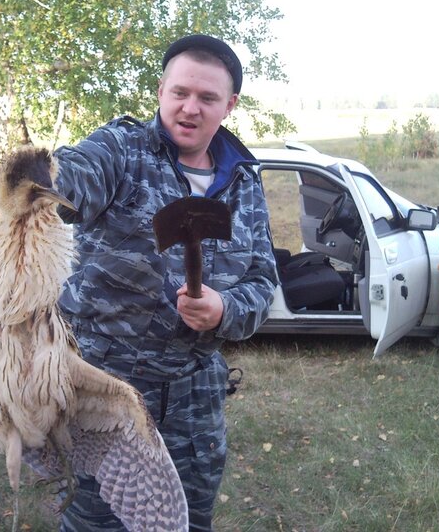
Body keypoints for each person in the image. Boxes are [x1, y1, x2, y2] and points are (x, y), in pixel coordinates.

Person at [53, 34, 279, 531]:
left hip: (194, 398)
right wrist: (42, 177)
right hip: (104, 391)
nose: (190, 108)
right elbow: (71, 179)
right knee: (97, 523)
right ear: (161, 91)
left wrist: (225, 309)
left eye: (207, 98)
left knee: (187, 521)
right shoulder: (121, 151)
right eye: (180, 92)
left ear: (230, 105)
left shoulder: (243, 179)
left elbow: (263, 280)